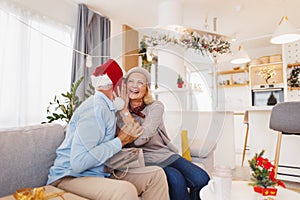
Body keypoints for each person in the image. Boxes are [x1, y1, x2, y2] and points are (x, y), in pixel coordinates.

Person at [47, 59, 169, 200]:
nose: (128, 88)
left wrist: (123, 110)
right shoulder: (94, 109)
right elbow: (79, 162)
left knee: (156, 175)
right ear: (117, 86)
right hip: (70, 177)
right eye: (124, 84)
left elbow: (136, 132)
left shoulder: (110, 108)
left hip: (100, 173)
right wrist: (120, 141)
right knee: (125, 190)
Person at [118, 66, 210, 200]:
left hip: (164, 155)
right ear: (125, 85)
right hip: (143, 160)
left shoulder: (156, 107)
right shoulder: (118, 112)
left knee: (202, 179)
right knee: (176, 180)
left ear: (146, 89)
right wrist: (123, 110)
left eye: (140, 83)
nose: (135, 86)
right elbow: (136, 142)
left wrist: (125, 115)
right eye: (131, 81)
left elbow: (141, 140)